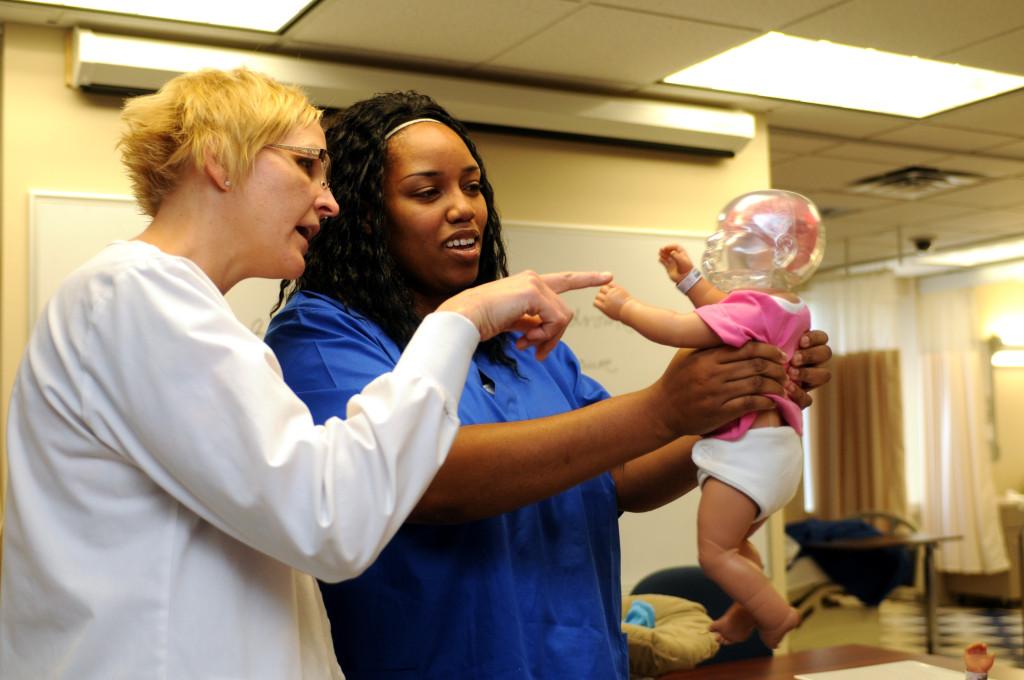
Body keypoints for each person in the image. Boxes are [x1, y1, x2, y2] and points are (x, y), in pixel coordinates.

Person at [0, 69, 610, 680]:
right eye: (307, 164)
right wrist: (461, 320)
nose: (330, 199)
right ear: (220, 161)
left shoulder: (176, 309)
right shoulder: (135, 294)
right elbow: (331, 517)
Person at [264, 91, 832, 679]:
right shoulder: (320, 336)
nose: (465, 208)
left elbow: (620, 477)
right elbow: (425, 481)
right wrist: (666, 407)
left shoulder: (520, 341)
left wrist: (736, 403)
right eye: (428, 192)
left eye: (474, 186)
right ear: (364, 213)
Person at [593, 190, 824, 649]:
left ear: (779, 250)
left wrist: (625, 308)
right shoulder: (788, 308)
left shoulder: (749, 310)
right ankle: (745, 613)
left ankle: (776, 615)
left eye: (736, 237)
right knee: (736, 545)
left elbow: (680, 329)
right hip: (777, 454)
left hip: (744, 461)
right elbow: (723, 306)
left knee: (715, 553)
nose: (721, 243)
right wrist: (689, 278)